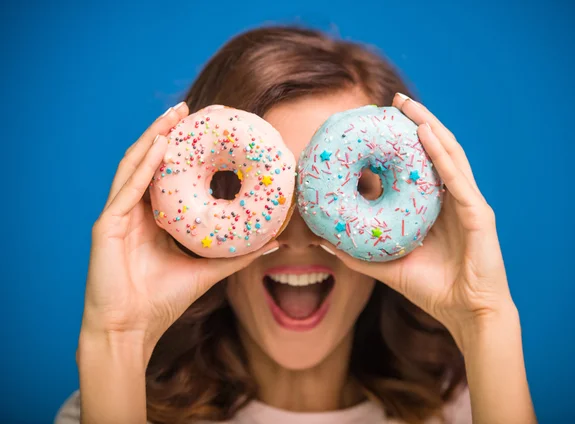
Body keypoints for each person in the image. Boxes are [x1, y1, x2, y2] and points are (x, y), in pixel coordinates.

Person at [55, 26, 536, 424]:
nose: (300, 233)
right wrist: (116, 339)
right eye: (273, 192)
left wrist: (486, 321)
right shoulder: (109, 405)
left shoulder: (470, 413)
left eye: (350, 188)